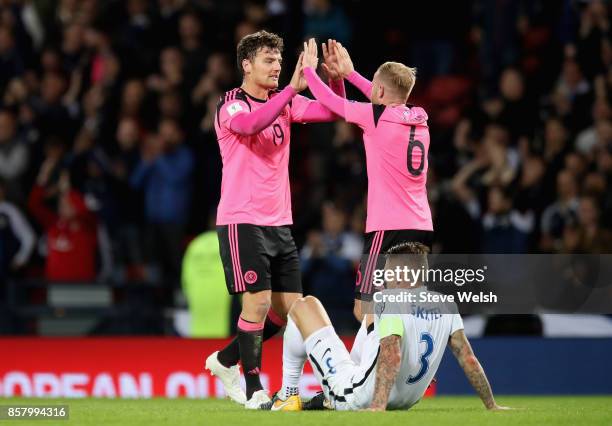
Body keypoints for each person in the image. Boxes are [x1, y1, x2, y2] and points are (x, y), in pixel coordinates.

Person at [204, 31, 345, 409]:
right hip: (241, 220)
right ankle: (254, 390)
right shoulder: (230, 105)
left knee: (290, 314)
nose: (277, 67)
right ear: (246, 65)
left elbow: (334, 111)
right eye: (269, 60)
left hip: (279, 222)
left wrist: (333, 80)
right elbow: (251, 126)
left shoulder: (283, 104)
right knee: (258, 303)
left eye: (280, 61)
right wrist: (292, 91)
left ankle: (226, 361)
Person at [263, 242, 509, 411]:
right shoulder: (446, 304)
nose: (384, 278)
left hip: (360, 396)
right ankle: (325, 394)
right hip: (407, 400)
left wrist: (377, 408)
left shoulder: (389, 300)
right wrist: (491, 405)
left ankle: (287, 395)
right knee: (371, 320)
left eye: (388, 272)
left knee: (304, 306)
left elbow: (392, 351)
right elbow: (469, 359)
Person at [300, 39, 433, 321]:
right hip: (420, 225)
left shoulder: (375, 117)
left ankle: (379, 361)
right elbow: (385, 99)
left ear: (381, 89)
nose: (371, 88)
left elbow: (330, 103)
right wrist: (349, 75)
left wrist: (310, 72)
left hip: (387, 227)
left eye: (374, 84)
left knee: (364, 309)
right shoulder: (419, 119)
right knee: (405, 304)